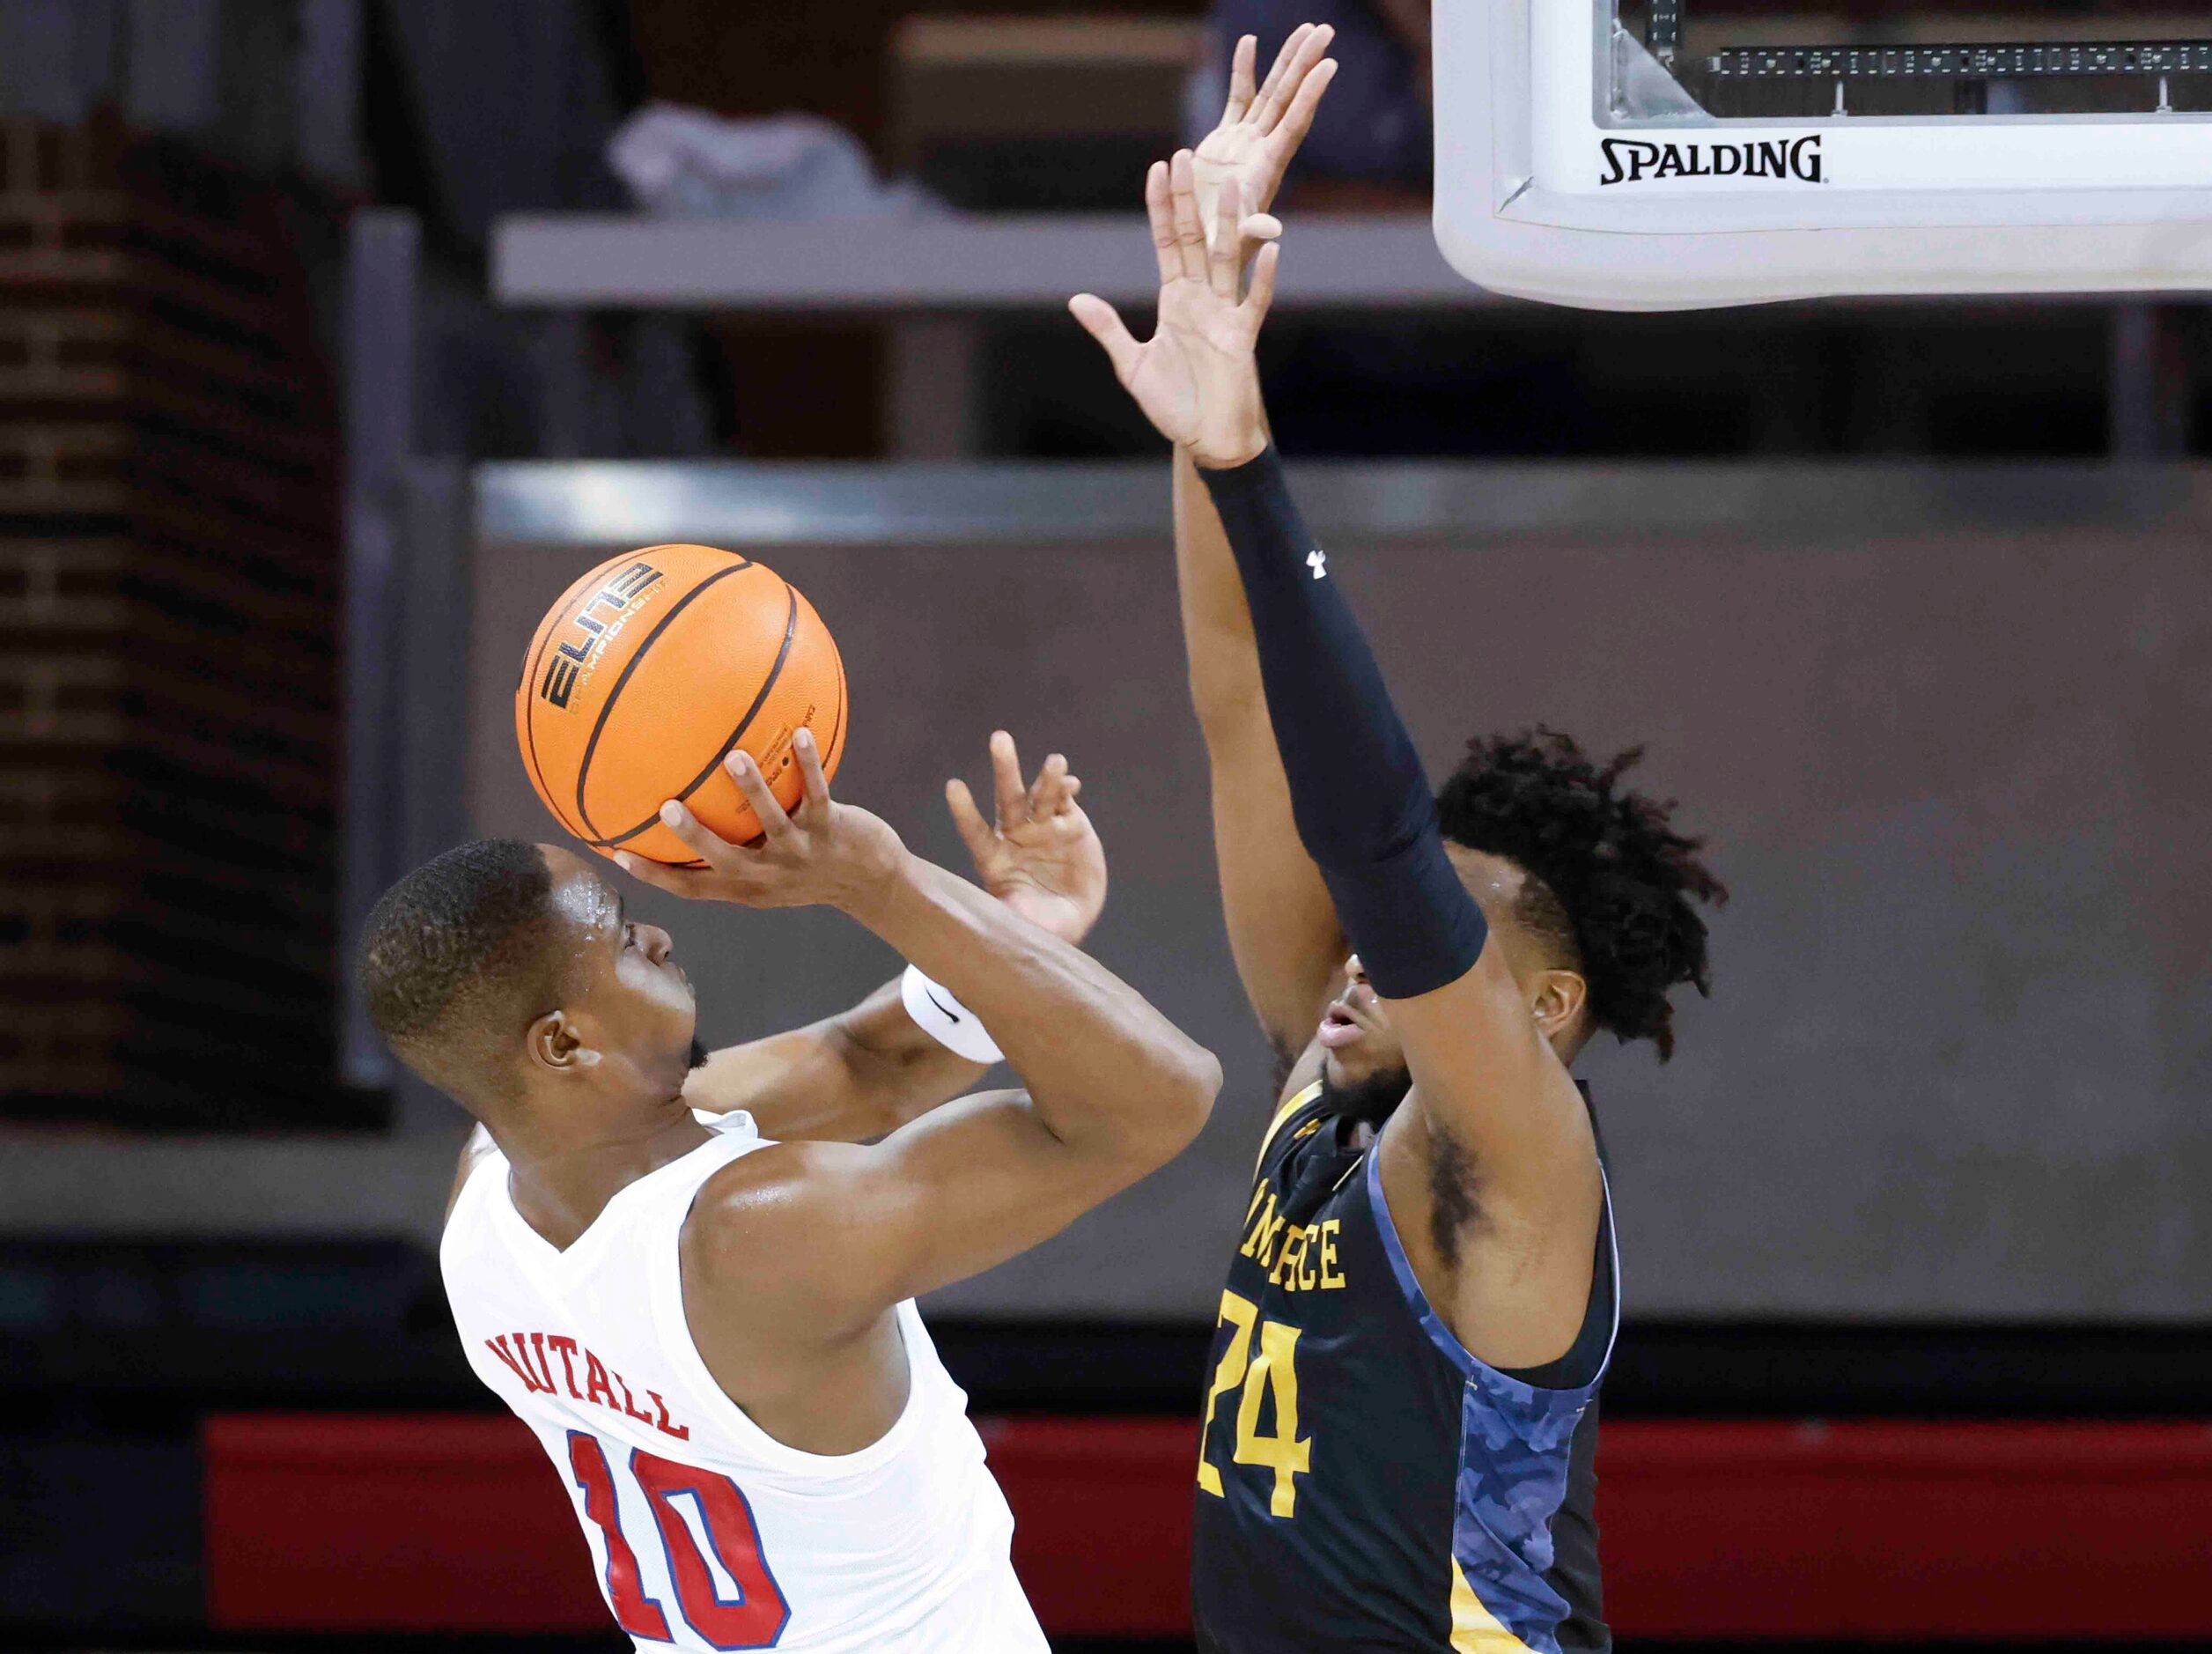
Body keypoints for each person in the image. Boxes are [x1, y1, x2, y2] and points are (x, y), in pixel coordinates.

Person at [1070, 38, 1727, 1654]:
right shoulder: (1328, 1076)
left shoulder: (1517, 1159)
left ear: (1548, 1007)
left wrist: (1252, 466)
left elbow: (1368, 839)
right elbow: (1242, 709)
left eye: (1446, 921)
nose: (1367, 948)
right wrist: (1204, 391)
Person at [359, 729, 1220, 1652]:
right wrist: (879, 883)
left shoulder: (485, 1204)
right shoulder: (758, 1234)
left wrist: (1014, 928)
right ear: (565, 1044)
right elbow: (1154, 1103)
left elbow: (871, 1063)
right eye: (616, 933)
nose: (654, 931)